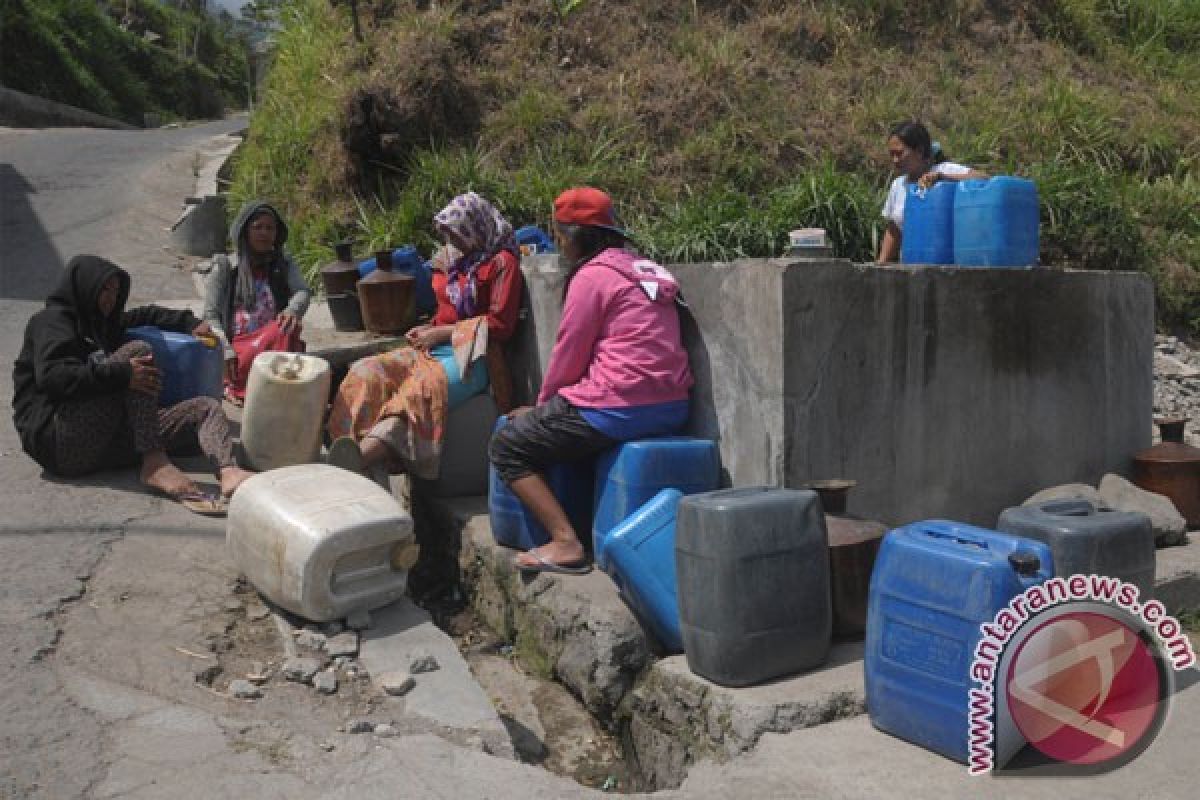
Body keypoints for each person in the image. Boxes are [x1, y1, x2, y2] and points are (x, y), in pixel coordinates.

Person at [489, 187, 693, 574]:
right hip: (672, 406)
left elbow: (569, 353)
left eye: (560, 235)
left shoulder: (592, 276)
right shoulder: (640, 268)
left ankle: (566, 542)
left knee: (508, 445)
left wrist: (543, 408)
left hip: (621, 407)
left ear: (571, 236)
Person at [12, 255, 255, 514]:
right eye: (104, 289)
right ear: (85, 286)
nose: (110, 298)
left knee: (204, 409)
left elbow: (146, 314)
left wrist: (190, 323)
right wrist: (122, 373)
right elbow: (53, 377)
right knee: (138, 351)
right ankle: (154, 462)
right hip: (60, 440)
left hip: (102, 442)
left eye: (116, 292)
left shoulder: (102, 324)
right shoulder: (52, 322)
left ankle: (228, 473)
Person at [326, 191, 524, 477]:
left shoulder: (503, 263)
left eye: (456, 233)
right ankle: (346, 445)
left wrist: (443, 333)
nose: (451, 242)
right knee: (368, 370)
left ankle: (357, 461)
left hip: (474, 357)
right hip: (436, 347)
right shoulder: (454, 261)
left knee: (417, 395)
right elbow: (445, 311)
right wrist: (429, 328)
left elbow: (501, 325)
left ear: (476, 228)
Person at [203, 199, 311, 403]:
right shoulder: (225, 266)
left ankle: (274, 388)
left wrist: (292, 311)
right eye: (258, 227)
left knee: (286, 327)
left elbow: (302, 291)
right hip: (238, 349)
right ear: (244, 231)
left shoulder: (282, 263)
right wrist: (225, 350)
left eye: (270, 228)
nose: (264, 233)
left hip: (274, 341)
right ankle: (240, 386)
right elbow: (210, 315)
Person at [877, 121, 988, 264]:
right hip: (911, 265)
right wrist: (881, 262)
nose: (895, 160)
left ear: (919, 151)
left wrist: (943, 178)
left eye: (899, 153)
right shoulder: (898, 185)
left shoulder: (945, 170)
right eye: (891, 154)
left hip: (947, 266)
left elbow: (985, 178)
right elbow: (894, 229)